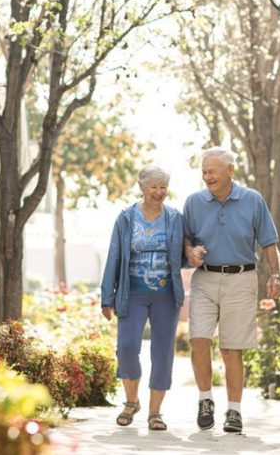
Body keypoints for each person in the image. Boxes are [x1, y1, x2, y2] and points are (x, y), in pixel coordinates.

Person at [183, 147, 280, 433]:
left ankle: (235, 411)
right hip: (205, 278)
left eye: (212, 171)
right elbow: (186, 238)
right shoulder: (194, 202)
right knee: (199, 340)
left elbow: (268, 242)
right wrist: (190, 252)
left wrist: (275, 274)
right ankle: (205, 401)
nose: (207, 177)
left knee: (231, 348)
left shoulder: (252, 200)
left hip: (241, 279)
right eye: (203, 172)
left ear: (230, 171)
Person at [100, 164, 185, 431]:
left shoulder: (174, 217)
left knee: (162, 353)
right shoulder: (126, 218)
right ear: (142, 187)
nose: (159, 192)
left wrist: (195, 253)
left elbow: (183, 250)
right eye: (154, 187)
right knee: (126, 347)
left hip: (165, 294)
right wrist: (107, 296)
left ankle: (155, 412)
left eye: (163, 187)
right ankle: (131, 400)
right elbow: (114, 255)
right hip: (132, 292)